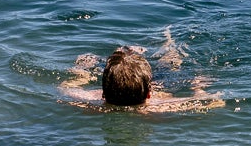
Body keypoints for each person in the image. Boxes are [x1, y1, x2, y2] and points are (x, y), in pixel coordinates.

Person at [60, 34, 223, 114]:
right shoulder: (160, 107)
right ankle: (168, 40)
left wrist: (81, 76)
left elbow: (64, 89)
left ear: (103, 93)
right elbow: (214, 103)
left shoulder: (89, 102)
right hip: (162, 84)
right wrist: (199, 87)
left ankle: (164, 44)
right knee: (169, 63)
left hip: (149, 85)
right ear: (150, 94)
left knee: (168, 64)